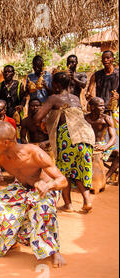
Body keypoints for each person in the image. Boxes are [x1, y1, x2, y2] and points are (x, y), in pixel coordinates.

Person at [0, 122, 68, 268]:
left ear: (7, 142)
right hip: (21, 187)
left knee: (43, 209)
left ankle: (54, 251)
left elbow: (62, 180)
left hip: (45, 189)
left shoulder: (35, 153)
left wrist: (47, 185)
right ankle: (11, 240)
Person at [35, 72, 95, 213]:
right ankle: (87, 201)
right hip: (86, 136)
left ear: (56, 84)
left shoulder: (54, 98)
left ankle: (68, 204)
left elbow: (37, 117)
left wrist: (42, 125)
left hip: (68, 137)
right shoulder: (75, 98)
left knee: (64, 172)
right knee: (80, 170)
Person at [84, 97, 118, 181]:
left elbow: (113, 137)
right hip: (86, 144)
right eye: (100, 106)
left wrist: (105, 147)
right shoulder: (84, 118)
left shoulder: (106, 119)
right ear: (92, 107)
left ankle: (105, 178)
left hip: (102, 145)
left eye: (103, 106)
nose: (103, 108)